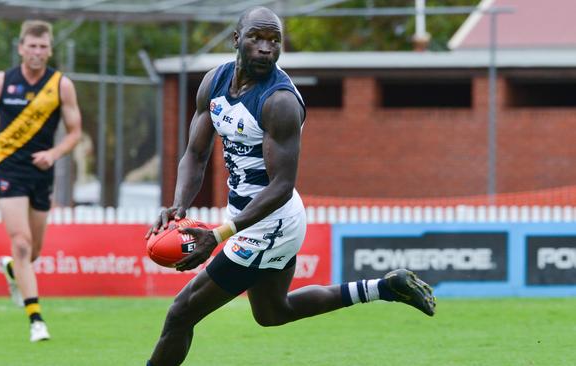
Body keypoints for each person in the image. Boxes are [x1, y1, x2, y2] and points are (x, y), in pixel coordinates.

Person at [145, 7, 436, 366]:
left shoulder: (279, 101)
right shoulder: (214, 82)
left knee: (180, 314)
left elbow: (281, 186)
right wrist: (179, 206)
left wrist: (219, 236)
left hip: (271, 223)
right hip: (248, 217)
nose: (267, 48)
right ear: (237, 40)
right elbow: (195, 152)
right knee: (272, 312)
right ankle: (384, 287)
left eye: (274, 41)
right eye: (257, 38)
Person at [0, 20, 82, 342]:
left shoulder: (61, 85)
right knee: (19, 243)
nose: (37, 52)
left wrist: (55, 153)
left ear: (49, 50)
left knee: (31, 252)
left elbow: (74, 132)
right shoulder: (0, 82)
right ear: (21, 48)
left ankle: (11, 271)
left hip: (41, 173)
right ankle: (36, 319)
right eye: (31, 46)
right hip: (7, 170)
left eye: (43, 46)